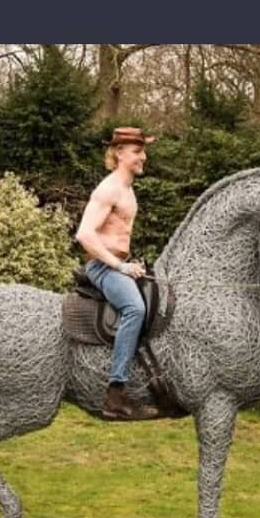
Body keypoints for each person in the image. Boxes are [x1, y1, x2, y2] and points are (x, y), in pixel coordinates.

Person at [75, 126, 160, 421]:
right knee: (134, 308)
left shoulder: (127, 188)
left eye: (143, 151)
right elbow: (84, 234)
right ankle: (115, 394)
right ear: (119, 152)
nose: (143, 157)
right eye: (137, 151)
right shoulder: (109, 188)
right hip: (102, 266)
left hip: (117, 262)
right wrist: (119, 265)